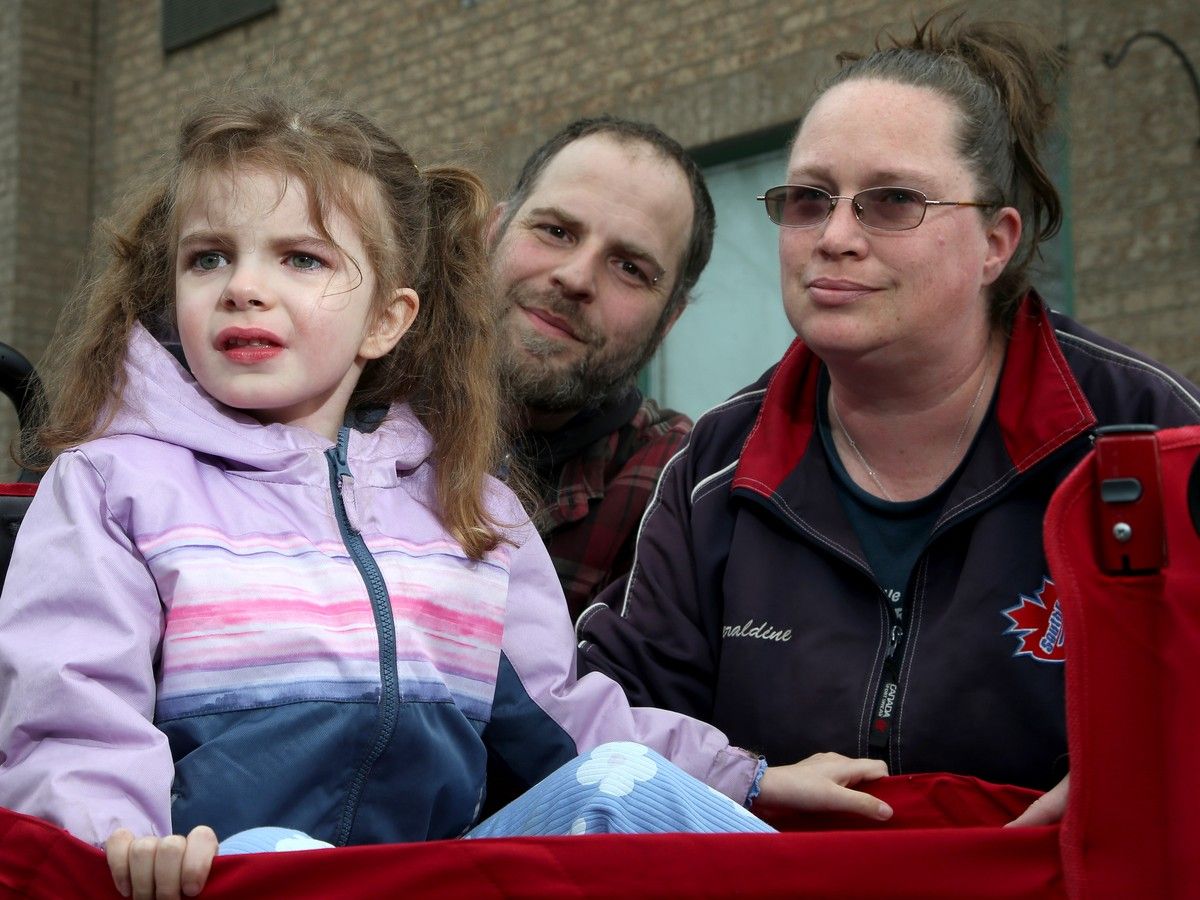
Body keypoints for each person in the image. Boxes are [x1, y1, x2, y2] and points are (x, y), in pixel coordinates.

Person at [0, 95, 892, 900]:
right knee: (277, 853)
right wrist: (121, 843)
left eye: (301, 259)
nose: (244, 284)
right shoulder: (115, 484)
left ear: (387, 319)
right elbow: (72, 711)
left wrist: (749, 776)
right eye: (209, 258)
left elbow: (560, 710)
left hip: (432, 869)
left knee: (618, 781)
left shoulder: (472, 509)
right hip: (217, 868)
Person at [577, 13, 1200, 829]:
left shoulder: (1142, 438)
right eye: (808, 200)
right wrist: (744, 781)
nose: (834, 237)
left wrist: (1150, 773)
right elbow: (605, 731)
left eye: (892, 201)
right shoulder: (714, 470)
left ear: (995, 242)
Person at [489, 116, 708, 620]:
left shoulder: (681, 494)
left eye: (630, 267)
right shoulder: (349, 403)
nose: (575, 277)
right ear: (491, 232)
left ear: (669, 320)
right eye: (556, 230)